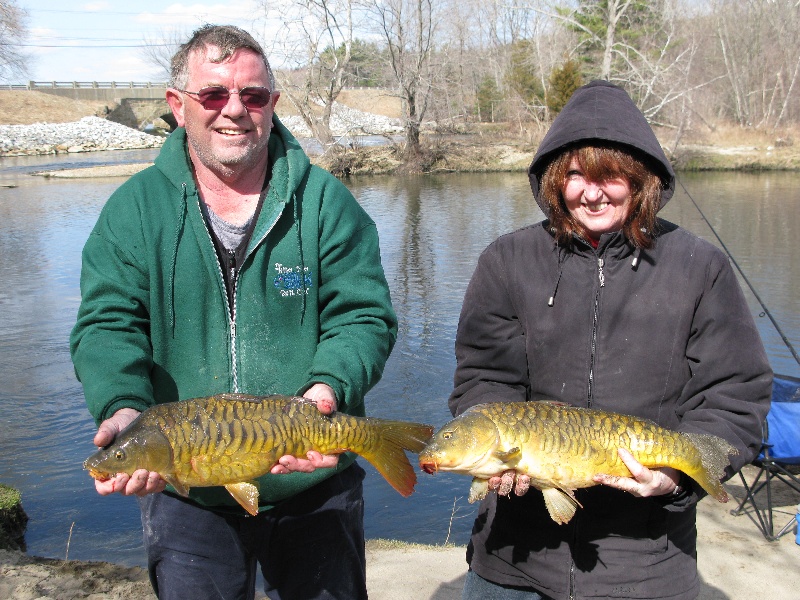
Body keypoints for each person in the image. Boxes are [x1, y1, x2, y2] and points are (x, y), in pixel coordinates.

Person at [70, 24, 397, 600]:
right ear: (177, 106)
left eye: (253, 96)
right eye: (214, 95)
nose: (235, 112)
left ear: (271, 103)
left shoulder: (326, 202)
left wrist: (328, 386)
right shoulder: (133, 210)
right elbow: (107, 326)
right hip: (190, 497)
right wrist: (123, 407)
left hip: (313, 479)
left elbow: (363, 317)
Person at [448, 80, 772, 600]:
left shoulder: (700, 267)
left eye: (610, 175)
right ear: (555, 179)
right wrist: (494, 444)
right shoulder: (506, 261)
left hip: (646, 560)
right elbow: (484, 376)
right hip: (513, 556)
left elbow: (735, 392)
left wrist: (674, 479)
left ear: (640, 179)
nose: (591, 192)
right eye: (575, 174)